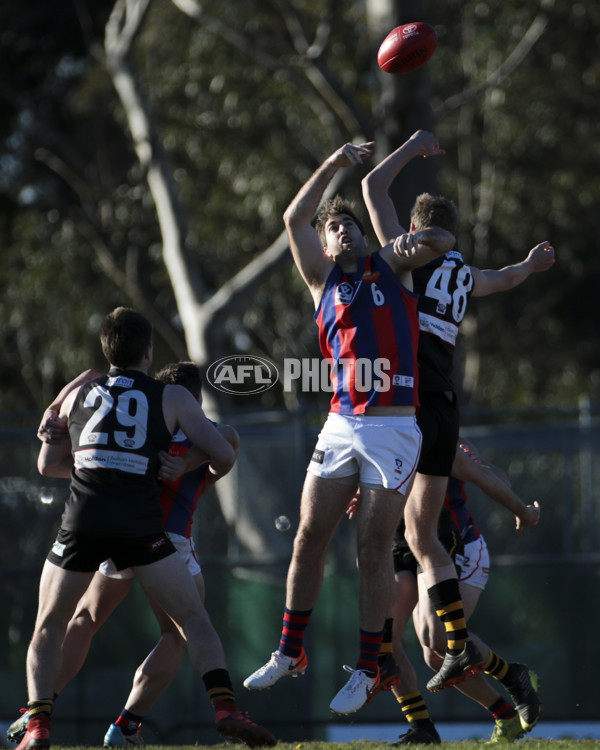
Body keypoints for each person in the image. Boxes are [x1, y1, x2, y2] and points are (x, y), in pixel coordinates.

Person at [243, 141, 456, 715]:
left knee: (371, 549)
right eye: (332, 228)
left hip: (392, 432)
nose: (340, 232)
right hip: (340, 426)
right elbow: (293, 218)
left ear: (365, 235)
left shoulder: (393, 266)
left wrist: (416, 242)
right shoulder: (320, 281)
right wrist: (335, 165)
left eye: (348, 225)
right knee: (308, 537)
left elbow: (445, 241)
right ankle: (290, 650)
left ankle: (369, 666)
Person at [16, 307, 276, 750]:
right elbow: (226, 448)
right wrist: (190, 461)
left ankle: (38, 720)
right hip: (143, 527)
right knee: (192, 621)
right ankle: (223, 707)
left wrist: (59, 406)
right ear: (149, 351)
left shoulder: (81, 394)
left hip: (85, 518)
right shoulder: (171, 399)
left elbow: (45, 463)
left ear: (105, 348)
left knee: (54, 623)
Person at [361, 129, 555, 692]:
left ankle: (449, 650)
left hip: (411, 406)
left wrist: (412, 149)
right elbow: (508, 278)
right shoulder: (463, 275)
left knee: (404, 539)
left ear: (416, 232)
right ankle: (463, 652)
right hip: (446, 406)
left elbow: (373, 187)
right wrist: (530, 263)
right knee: (422, 539)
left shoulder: (411, 260)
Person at [378, 436, 542, 745]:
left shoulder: (435, 434)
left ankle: (512, 676)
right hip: (407, 549)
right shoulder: (383, 431)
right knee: (403, 645)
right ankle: (429, 727)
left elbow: (488, 475)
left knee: (438, 637)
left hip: (456, 547)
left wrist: (520, 509)